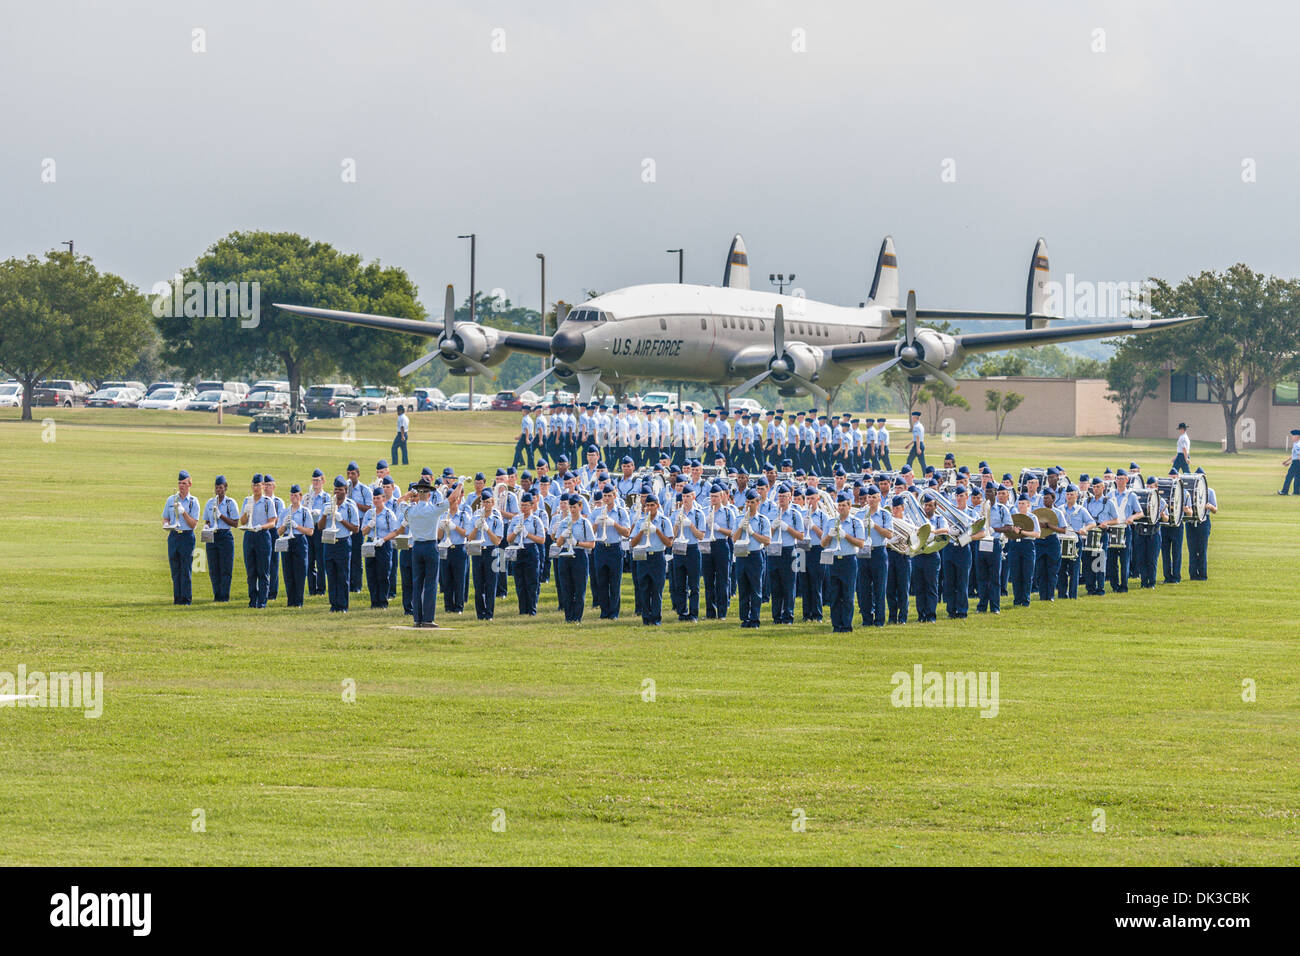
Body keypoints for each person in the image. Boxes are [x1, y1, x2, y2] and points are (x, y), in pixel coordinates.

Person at [398, 478, 446, 627]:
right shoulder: (433, 509)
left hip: (417, 546)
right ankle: (427, 619)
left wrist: (408, 494)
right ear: (430, 495)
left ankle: (417, 618)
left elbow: (399, 501)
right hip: (430, 546)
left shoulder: (410, 510)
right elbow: (452, 499)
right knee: (431, 583)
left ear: (417, 493)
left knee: (417, 582)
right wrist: (461, 485)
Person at [821, 492, 865, 633]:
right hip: (833, 559)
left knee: (848, 594)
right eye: (839, 505)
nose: (841, 508)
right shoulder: (830, 522)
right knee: (834, 594)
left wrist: (845, 536)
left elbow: (861, 543)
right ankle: (836, 624)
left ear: (849, 506)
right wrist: (830, 535)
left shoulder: (855, 522)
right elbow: (823, 543)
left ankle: (846, 624)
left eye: (843, 505)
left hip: (848, 560)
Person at [731, 489, 771, 629]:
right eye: (747, 502)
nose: (749, 505)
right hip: (742, 555)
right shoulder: (738, 519)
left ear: (758, 503)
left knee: (756, 588)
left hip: (755, 555)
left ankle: (755, 619)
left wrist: (753, 533)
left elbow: (767, 541)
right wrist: (741, 528)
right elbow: (733, 539)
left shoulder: (762, 520)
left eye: (752, 502)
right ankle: (744, 618)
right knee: (743, 588)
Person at [318, 476, 360, 612]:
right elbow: (320, 527)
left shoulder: (350, 506)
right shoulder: (327, 505)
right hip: (329, 542)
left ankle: (342, 605)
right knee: (330, 574)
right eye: (335, 489)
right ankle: (333, 604)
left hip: (343, 542)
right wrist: (324, 515)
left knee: (342, 575)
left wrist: (341, 520)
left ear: (345, 491)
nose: (337, 492)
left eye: (340, 489)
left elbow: (356, 528)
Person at [591, 484, 631, 620]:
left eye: (609, 495)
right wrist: (596, 523)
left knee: (615, 582)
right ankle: (604, 611)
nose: (607, 498)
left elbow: (626, 532)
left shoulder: (621, 512)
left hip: (614, 547)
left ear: (614, 496)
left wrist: (613, 523)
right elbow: (590, 533)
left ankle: (614, 612)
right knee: (601, 581)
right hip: (600, 547)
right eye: (605, 496)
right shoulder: (597, 512)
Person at [555, 494, 595, 623]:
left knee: (579, 588)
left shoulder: (585, 523)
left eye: (575, 507)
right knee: (566, 587)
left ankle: (577, 617)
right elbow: (558, 543)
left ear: (580, 507)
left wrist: (577, 543)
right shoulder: (563, 523)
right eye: (570, 507)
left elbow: (592, 544)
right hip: (565, 554)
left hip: (579, 555)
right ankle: (568, 616)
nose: (572, 510)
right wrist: (563, 535)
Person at [856, 484, 893, 627]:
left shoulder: (885, 514)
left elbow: (889, 534)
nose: (870, 500)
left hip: (878, 551)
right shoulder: (860, 514)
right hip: (863, 551)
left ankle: (879, 619)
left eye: (874, 497)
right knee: (864, 588)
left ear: (879, 498)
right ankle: (866, 619)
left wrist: (875, 526)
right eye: (869, 497)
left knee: (880, 587)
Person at [163, 470, 201, 604]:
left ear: (189, 484)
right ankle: (177, 598)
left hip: (186, 536)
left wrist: (183, 512)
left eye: (184, 483)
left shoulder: (193, 502)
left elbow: (193, 524)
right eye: (179, 483)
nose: (181, 486)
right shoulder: (170, 499)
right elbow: (165, 518)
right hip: (174, 535)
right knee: (175, 569)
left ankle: (186, 598)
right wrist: (167, 524)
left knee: (186, 569)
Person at [507, 492, 547, 615]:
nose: (523, 508)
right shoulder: (515, 519)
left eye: (526, 505)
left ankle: (532, 610)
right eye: (522, 505)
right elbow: (508, 539)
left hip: (531, 549)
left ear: (531, 506)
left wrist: (527, 534)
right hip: (517, 550)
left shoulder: (536, 520)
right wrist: (515, 532)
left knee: (532, 582)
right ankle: (522, 610)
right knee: (519, 582)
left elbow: (542, 539)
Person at [276, 484, 315, 607]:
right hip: (287, 539)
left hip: (299, 540)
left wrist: (297, 526)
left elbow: (310, 531)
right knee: (288, 572)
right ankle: (290, 600)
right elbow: (278, 532)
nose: (293, 498)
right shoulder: (285, 512)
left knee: (300, 572)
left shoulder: (305, 512)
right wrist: (285, 525)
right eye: (292, 495)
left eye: (296, 495)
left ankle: (298, 601)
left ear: (301, 497)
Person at [468, 490, 504, 620]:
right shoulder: (474, 518)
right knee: (478, 584)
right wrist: (476, 528)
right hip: (477, 550)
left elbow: (497, 541)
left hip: (492, 551)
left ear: (493, 503)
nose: (486, 505)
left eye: (489, 502)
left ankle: (489, 613)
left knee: (491, 583)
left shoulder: (496, 520)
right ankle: (480, 613)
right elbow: (469, 538)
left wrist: (487, 529)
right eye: (484, 502)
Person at [202, 475, 239, 602]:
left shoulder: (230, 503)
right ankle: (216, 595)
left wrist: (221, 516)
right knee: (213, 567)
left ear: (226, 488)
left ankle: (224, 595)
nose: (219, 490)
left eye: (221, 488)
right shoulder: (210, 503)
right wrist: (206, 526)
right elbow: (207, 519)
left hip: (225, 535)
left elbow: (235, 523)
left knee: (225, 567)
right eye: (217, 488)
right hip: (212, 535)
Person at [363, 486, 400, 609]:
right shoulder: (369, 513)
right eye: (374, 498)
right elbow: (363, 532)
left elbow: (395, 531)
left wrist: (383, 539)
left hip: (383, 544)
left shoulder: (388, 514)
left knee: (383, 573)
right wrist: (369, 525)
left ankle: (383, 601)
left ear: (383, 498)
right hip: (371, 543)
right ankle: (374, 601)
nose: (375, 501)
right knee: (371, 573)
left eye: (378, 498)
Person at [942, 487, 973, 618]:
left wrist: (965, 537)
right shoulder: (949, 513)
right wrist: (949, 531)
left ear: (967, 496)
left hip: (963, 548)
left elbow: (980, 531)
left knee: (962, 581)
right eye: (957, 496)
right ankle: (951, 610)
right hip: (949, 547)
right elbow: (943, 528)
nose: (959, 498)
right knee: (949, 581)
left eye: (961, 496)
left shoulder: (971, 513)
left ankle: (962, 610)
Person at [345, 462, 373, 594]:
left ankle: (357, 585)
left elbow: (369, 508)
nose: (350, 476)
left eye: (353, 473)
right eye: (349, 473)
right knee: (346, 555)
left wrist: (355, 504)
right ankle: (347, 582)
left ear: (358, 474)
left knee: (356, 555)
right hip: (346, 523)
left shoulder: (364, 490)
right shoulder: (344, 488)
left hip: (359, 523)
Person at [885, 495, 912, 623]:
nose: (895, 511)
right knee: (890, 588)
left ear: (903, 508)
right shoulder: (888, 521)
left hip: (904, 556)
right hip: (890, 554)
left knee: (903, 588)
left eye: (897, 508)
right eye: (893, 508)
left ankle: (903, 617)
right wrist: (889, 542)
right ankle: (892, 616)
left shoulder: (909, 522)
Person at [306, 469, 329, 595]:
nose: (315, 483)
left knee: (321, 561)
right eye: (314, 480)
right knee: (309, 560)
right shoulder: (307, 496)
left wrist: (319, 513)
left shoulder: (326, 497)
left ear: (323, 481)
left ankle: (321, 589)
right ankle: (311, 589)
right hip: (309, 530)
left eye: (318, 480)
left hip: (320, 529)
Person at [1280, 430, 1300, 495]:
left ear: (1297, 436)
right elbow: (1294, 455)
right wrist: (1287, 461)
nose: (1292, 437)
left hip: (1297, 463)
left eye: (1293, 436)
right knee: (1297, 477)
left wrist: (1291, 463)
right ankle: (1296, 492)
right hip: (1296, 462)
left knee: (1289, 477)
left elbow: (1299, 456)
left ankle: (1284, 491)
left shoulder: (1298, 445)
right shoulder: (1296, 443)